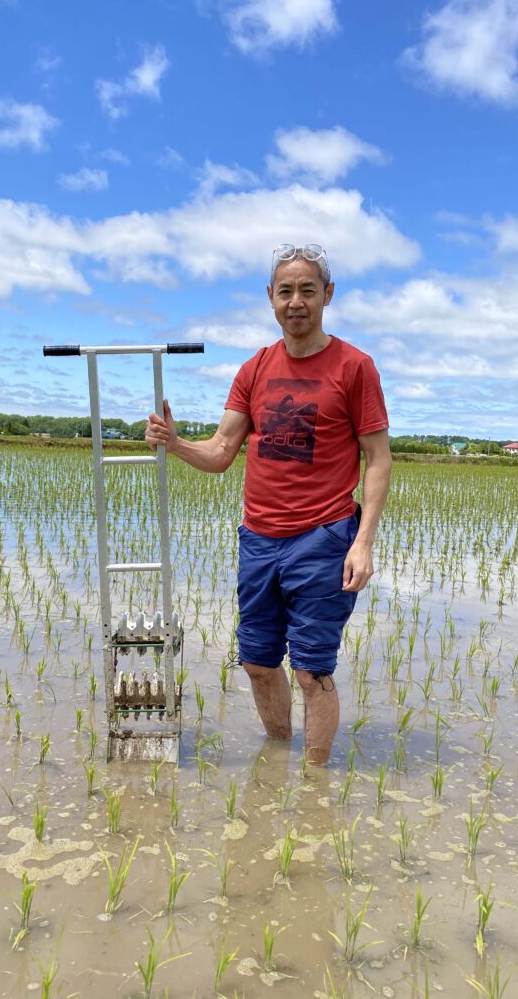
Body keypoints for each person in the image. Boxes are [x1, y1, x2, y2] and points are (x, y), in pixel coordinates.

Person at [145, 244, 391, 765]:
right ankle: (278, 762)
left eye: (307, 290)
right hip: (258, 538)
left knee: (311, 671)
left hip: (324, 538)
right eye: (285, 291)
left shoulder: (354, 367)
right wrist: (174, 443)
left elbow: (378, 458)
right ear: (270, 299)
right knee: (257, 661)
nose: (295, 301)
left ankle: (316, 783)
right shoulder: (255, 368)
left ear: (328, 294)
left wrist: (363, 542)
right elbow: (219, 452)